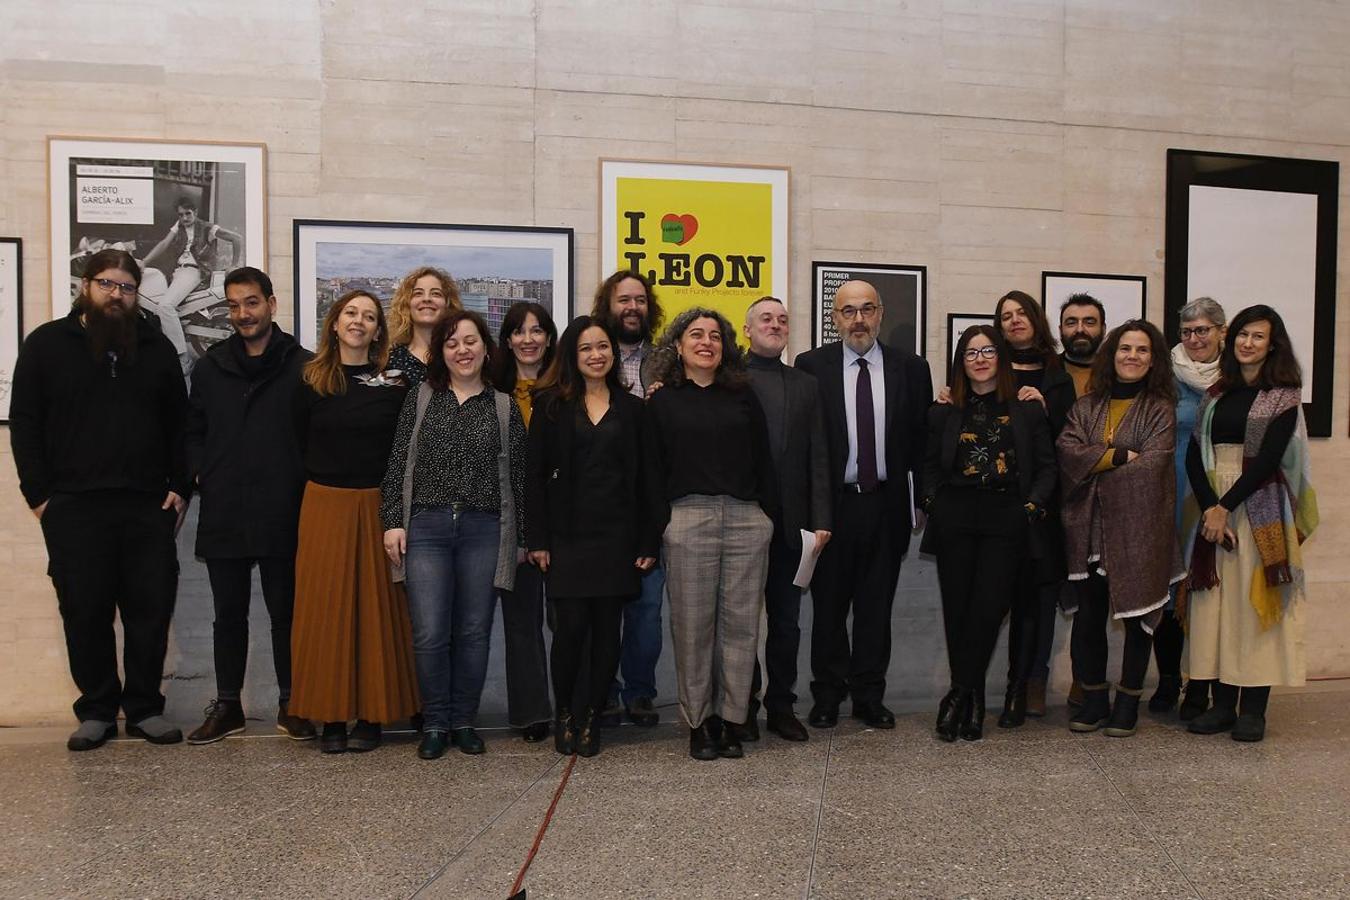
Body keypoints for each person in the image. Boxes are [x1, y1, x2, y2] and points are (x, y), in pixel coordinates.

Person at [10, 249, 189, 750]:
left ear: (136, 293)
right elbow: (24, 422)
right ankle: (96, 711)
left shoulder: (155, 347)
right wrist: (40, 496)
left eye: (127, 287)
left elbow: (182, 423)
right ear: (86, 286)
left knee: (149, 612)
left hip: (146, 506)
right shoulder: (47, 344)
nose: (117, 294)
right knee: (84, 611)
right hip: (74, 507)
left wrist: (180, 485)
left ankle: (145, 709)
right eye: (107, 284)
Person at [381, 310, 526, 760]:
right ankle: (436, 722)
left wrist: (519, 539)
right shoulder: (422, 398)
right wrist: (392, 521)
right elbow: (397, 463)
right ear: (442, 353)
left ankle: (464, 721)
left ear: (486, 348)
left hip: (485, 529)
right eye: (452, 343)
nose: (462, 350)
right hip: (427, 526)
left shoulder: (503, 406)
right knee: (428, 631)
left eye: (470, 341)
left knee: (474, 631)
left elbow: (518, 478)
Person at [184, 267, 314, 744]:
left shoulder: (304, 366)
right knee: (228, 615)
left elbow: (316, 435)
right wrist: (201, 471)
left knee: (288, 614)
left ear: (271, 305)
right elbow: (192, 429)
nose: (243, 313)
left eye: (252, 302)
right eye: (234, 305)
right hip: (225, 507)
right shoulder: (210, 366)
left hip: (285, 507)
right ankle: (228, 706)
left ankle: (292, 703)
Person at [795, 280, 932, 731]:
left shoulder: (911, 368)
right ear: (834, 318)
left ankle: (870, 697)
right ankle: (828, 696)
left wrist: (923, 501)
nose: (858, 319)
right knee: (830, 608)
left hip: (887, 506)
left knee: (876, 608)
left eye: (867, 309)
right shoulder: (810, 366)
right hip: (832, 508)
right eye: (848, 311)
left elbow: (921, 441)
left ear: (881, 314)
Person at [290, 290, 418, 754]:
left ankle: (371, 716)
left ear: (379, 329)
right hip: (324, 505)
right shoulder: (309, 380)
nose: (359, 322)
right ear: (335, 323)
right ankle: (330, 717)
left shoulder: (396, 382)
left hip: (377, 507)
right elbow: (294, 444)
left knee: (377, 613)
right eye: (351, 314)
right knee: (324, 613)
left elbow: (404, 453)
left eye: (368, 316)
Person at [645, 307, 776, 761]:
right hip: (688, 518)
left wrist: (769, 520)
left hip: (745, 518)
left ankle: (732, 718)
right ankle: (700, 723)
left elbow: (765, 462)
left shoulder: (743, 395)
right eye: (696, 335)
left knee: (741, 628)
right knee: (693, 626)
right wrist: (656, 529)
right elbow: (651, 472)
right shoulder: (661, 401)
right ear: (678, 346)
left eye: (715, 336)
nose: (706, 342)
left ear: (725, 347)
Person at [1182, 305, 1318, 743]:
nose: (1247, 343)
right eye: (1242, 334)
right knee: (1218, 607)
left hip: (1258, 502)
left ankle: (1253, 710)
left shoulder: (1284, 394)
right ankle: (1222, 705)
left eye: (1258, 336)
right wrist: (1210, 509)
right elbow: (1193, 453)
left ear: (1272, 344)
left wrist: (1226, 506)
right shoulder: (1216, 392)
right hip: (1214, 506)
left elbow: (1268, 460)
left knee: (1254, 605)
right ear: (1230, 338)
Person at [526, 316, 658, 757]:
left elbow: (647, 482)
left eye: (603, 347)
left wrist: (647, 541)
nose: (597, 355)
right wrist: (538, 539)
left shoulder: (635, 409)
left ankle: (593, 717)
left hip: (617, 538)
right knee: (569, 632)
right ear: (572, 355)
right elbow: (534, 479)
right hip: (567, 537)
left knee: (607, 634)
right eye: (586, 348)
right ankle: (566, 711)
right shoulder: (550, 406)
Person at [920, 325, 1056, 741]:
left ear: (1001, 357)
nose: (979, 359)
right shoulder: (942, 410)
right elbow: (926, 466)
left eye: (987, 351)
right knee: (959, 610)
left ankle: (957, 695)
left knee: (988, 609)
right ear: (961, 362)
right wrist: (932, 505)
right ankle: (973, 700)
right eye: (970, 353)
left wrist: (1029, 507)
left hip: (1006, 517)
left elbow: (1048, 466)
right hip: (955, 516)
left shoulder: (1027, 407)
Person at [1057, 320, 1184, 738]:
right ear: (1111, 355)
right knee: (1090, 616)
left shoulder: (1161, 407)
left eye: (1142, 350)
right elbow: (1068, 452)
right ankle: (1094, 700)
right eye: (1124, 348)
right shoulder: (1086, 405)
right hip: (1087, 530)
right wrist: (1117, 457)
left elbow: (1154, 465)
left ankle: (1128, 702)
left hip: (1139, 528)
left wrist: (1098, 465)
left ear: (1154, 360)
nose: (1132, 356)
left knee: (1136, 617)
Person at [741, 297, 832, 742]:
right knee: (740, 622)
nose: (774, 325)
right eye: (765, 319)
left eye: (782, 319)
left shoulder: (806, 385)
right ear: (747, 329)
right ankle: (741, 706)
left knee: (786, 622)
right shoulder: (728, 380)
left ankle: (781, 706)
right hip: (741, 522)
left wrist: (822, 519)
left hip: (794, 526)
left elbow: (819, 456)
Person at [992, 290, 1075, 727]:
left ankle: (1035, 681)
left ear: (1035, 318)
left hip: (1045, 501)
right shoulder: (990, 364)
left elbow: (1072, 436)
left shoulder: (1058, 373)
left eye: (1021, 312)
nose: (1014, 321)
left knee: (1041, 598)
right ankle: (994, 683)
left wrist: (1044, 411)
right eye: (1005, 316)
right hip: (998, 499)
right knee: (997, 592)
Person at [589, 269, 666, 727]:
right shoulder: (591, 356)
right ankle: (606, 690)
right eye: (623, 300)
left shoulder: (667, 361)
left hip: (649, 504)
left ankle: (640, 691)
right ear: (608, 306)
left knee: (647, 607)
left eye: (639, 300)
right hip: (599, 506)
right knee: (602, 606)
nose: (632, 307)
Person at [1152, 297, 1227, 719]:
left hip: (1221, 493)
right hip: (1173, 488)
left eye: (1203, 330)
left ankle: (1205, 684)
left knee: (1212, 589)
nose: (1194, 338)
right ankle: (1168, 681)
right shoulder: (1164, 374)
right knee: (1171, 589)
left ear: (1221, 331)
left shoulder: (1236, 376)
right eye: (1187, 331)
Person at [490, 301, 558, 743]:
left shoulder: (566, 390)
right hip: (510, 522)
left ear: (550, 338)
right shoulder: (492, 392)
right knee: (521, 622)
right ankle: (532, 712)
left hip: (563, 523)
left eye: (537, 331)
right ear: (507, 340)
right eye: (519, 331)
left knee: (568, 621)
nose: (528, 339)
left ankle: (575, 703)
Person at [140, 196, 244, 361]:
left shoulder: (207, 228)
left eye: (187, 214)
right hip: (177, 271)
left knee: (165, 307)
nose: (184, 218)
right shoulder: (179, 226)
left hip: (194, 271)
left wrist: (234, 264)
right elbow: (164, 243)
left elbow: (236, 238)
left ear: (195, 212)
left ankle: (182, 356)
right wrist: (144, 262)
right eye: (180, 215)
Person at [386, 266, 461, 388]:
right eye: (418, 293)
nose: (426, 299)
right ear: (407, 304)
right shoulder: (390, 360)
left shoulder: (461, 356)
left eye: (436, 294)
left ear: (447, 303)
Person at [1058, 293, 1106, 398]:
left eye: (1089, 322)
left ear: (1103, 329)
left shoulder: (1116, 373)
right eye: (1071, 323)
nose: (1080, 329)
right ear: (1060, 330)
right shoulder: (1045, 370)